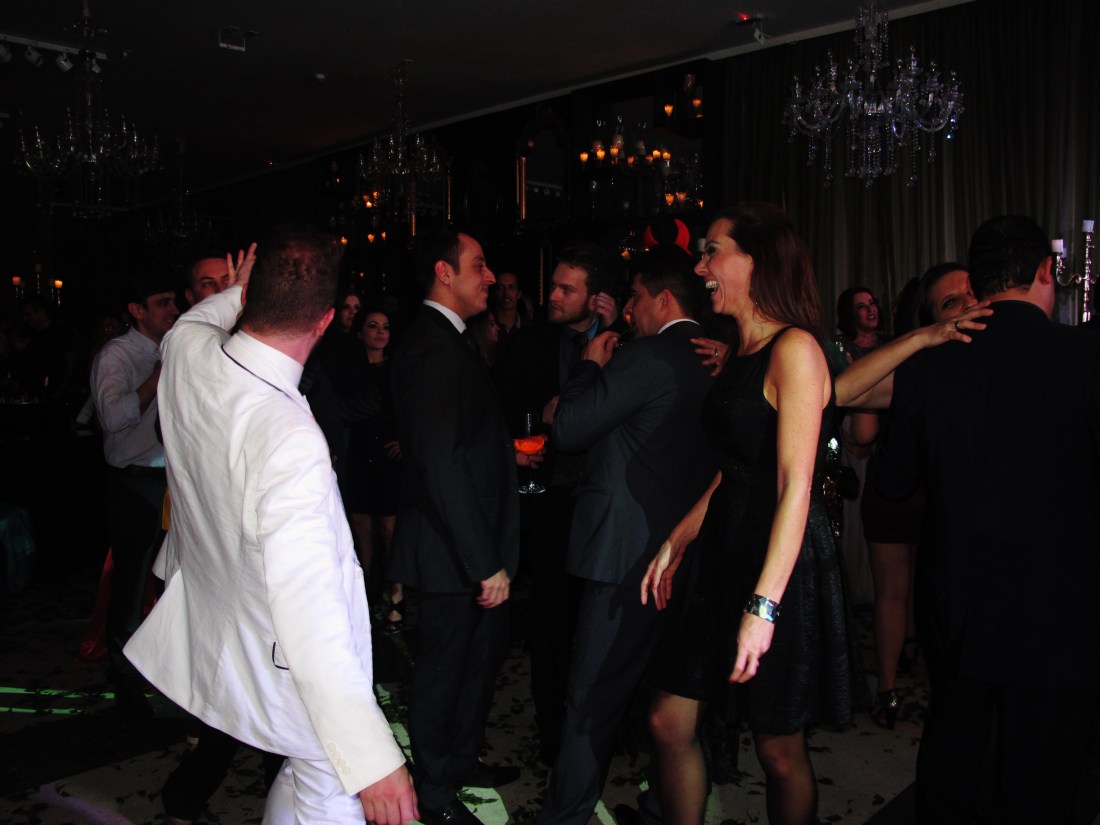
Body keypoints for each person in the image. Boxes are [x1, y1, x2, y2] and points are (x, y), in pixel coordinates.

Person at [123, 230, 417, 825]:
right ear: (328, 320)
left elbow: (200, 319)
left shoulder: (184, 349)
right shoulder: (289, 438)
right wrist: (371, 756)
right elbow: (310, 609)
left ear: (248, 297)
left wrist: (236, 291)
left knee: (306, 775)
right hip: (283, 655)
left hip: (221, 626)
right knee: (330, 781)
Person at [869, 215, 1100, 824]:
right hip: (1059, 607)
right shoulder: (1084, 355)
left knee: (954, 756)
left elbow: (892, 482)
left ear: (978, 281)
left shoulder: (931, 363)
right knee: (1042, 780)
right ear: (1046, 271)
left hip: (958, 603)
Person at [536, 251, 717, 825]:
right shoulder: (717, 359)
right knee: (669, 699)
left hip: (626, 556)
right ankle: (663, 807)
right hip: (690, 551)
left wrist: (588, 366)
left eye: (635, 298)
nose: (629, 310)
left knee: (592, 699)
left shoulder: (645, 356)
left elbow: (569, 429)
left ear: (663, 299)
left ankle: (564, 818)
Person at [388, 227, 527, 825]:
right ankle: (435, 792)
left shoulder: (451, 338)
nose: (490, 277)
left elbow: (459, 441)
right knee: (443, 672)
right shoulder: (428, 344)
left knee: (476, 664)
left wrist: (504, 453)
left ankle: (461, 760)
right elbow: (439, 462)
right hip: (452, 547)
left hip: (470, 541)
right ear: (444, 273)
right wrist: (483, 561)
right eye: (480, 265)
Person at [497, 242, 624, 764]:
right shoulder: (528, 343)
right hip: (550, 500)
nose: (552, 295)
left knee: (602, 620)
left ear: (595, 299)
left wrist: (616, 334)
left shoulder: (620, 344)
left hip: (605, 503)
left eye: (566, 289)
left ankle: (604, 728)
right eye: (553, 285)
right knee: (550, 621)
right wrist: (533, 425)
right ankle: (553, 734)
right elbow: (504, 407)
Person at [860, 263, 974, 729]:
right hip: (910, 494)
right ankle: (901, 680)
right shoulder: (917, 363)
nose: (966, 305)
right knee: (910, 593)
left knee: (900, 594)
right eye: (951, 301)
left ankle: (890, 686)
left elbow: (861, 433)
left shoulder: (914, 362)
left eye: (972, 293)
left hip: (908, 494)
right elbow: (855, 416)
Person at [90, 274, 179, 717]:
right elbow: (114, 417)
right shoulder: (118, 355)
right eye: (162, 302)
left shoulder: (179, 348)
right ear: (137, 311)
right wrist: (158, 376)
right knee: (132, 581)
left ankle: (166, 670)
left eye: (174, 301)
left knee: (172, 581)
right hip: (134, 481)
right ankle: (125, 677)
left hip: (175, 480)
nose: (173, 310)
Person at [344, 308, 404, 629]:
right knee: (361, 529)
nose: (381, 332)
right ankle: (366, 597)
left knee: (390, 528)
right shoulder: (349, 371)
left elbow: (413, 409)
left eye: (386, 327)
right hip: (357, 454)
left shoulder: (396, 370)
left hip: (387, 456)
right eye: (373, 326)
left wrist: (405, 441)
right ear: (360, 332)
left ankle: (396, 594)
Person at [835, 285, 885, 358]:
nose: (870, 309)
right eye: (862, 306)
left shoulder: (889, 343)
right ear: (849, 313)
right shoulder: (840, 344)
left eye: (872, 303)